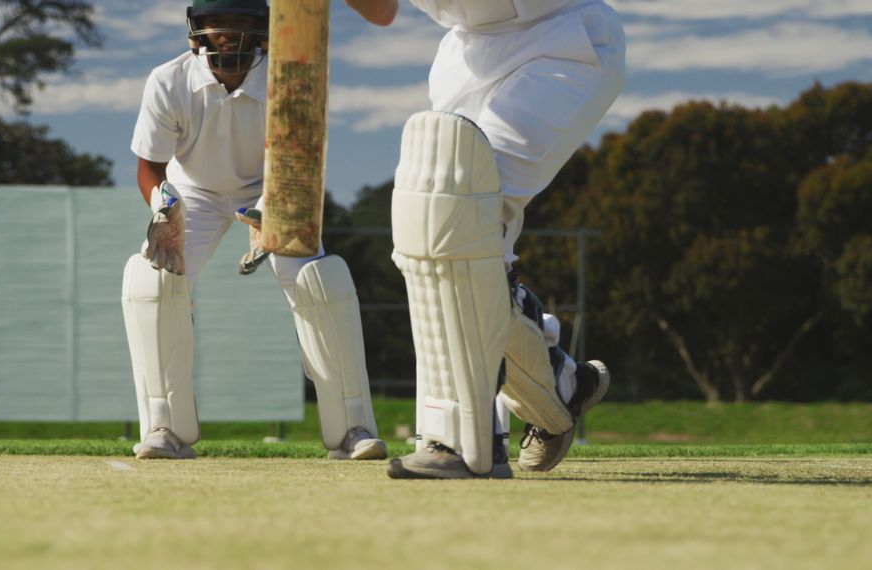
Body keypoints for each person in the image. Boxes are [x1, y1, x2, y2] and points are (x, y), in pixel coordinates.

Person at [345, 0, 625, 479]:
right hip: (466, 53)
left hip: (559, 39)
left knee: (458, 207)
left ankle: (463, 442)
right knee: (438, 228)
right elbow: (382, 9)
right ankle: (562, 385)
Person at [123, 0, 386, 462]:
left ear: (265, 33)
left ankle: (352, 429)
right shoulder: (168, 80)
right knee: (154, 283)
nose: (228, 37)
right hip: (193, 193)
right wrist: (163, 205)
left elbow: (300, 157)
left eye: (242, 25)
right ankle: (164, 428)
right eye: (216, 27)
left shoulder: (292, 79)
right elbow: (150, 165)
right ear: (196, 31)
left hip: (275, 185)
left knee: (317, 286)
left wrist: (268, 208)